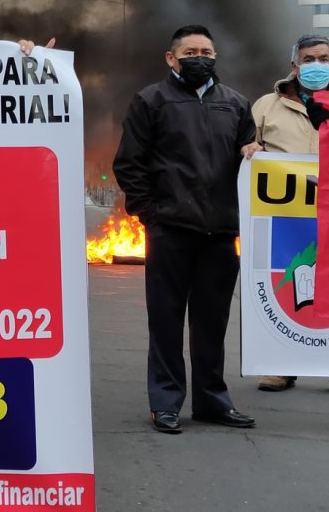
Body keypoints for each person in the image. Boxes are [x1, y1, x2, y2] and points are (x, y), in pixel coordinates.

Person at [112, 24, 261, 435]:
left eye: (208, 52)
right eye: (192, 51)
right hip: (170, 231)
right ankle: (165, 402)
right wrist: (151, 215)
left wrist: (252, 151)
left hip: (219, 234)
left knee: (212, 323)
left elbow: (248, 157)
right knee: (166, 320)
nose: (201, 58)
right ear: (171, 58)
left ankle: (213, 401)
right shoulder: (151, 100)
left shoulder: (235, 104)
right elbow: (129, 164)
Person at [251, 34, 329, 400]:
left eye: (323, 58)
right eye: (309, 58)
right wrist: (251, 149)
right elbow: (245, 147)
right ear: (294, 65)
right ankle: (282, 366)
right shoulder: (266, 107)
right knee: (290, 288)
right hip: (286, 220)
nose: (316, 65)